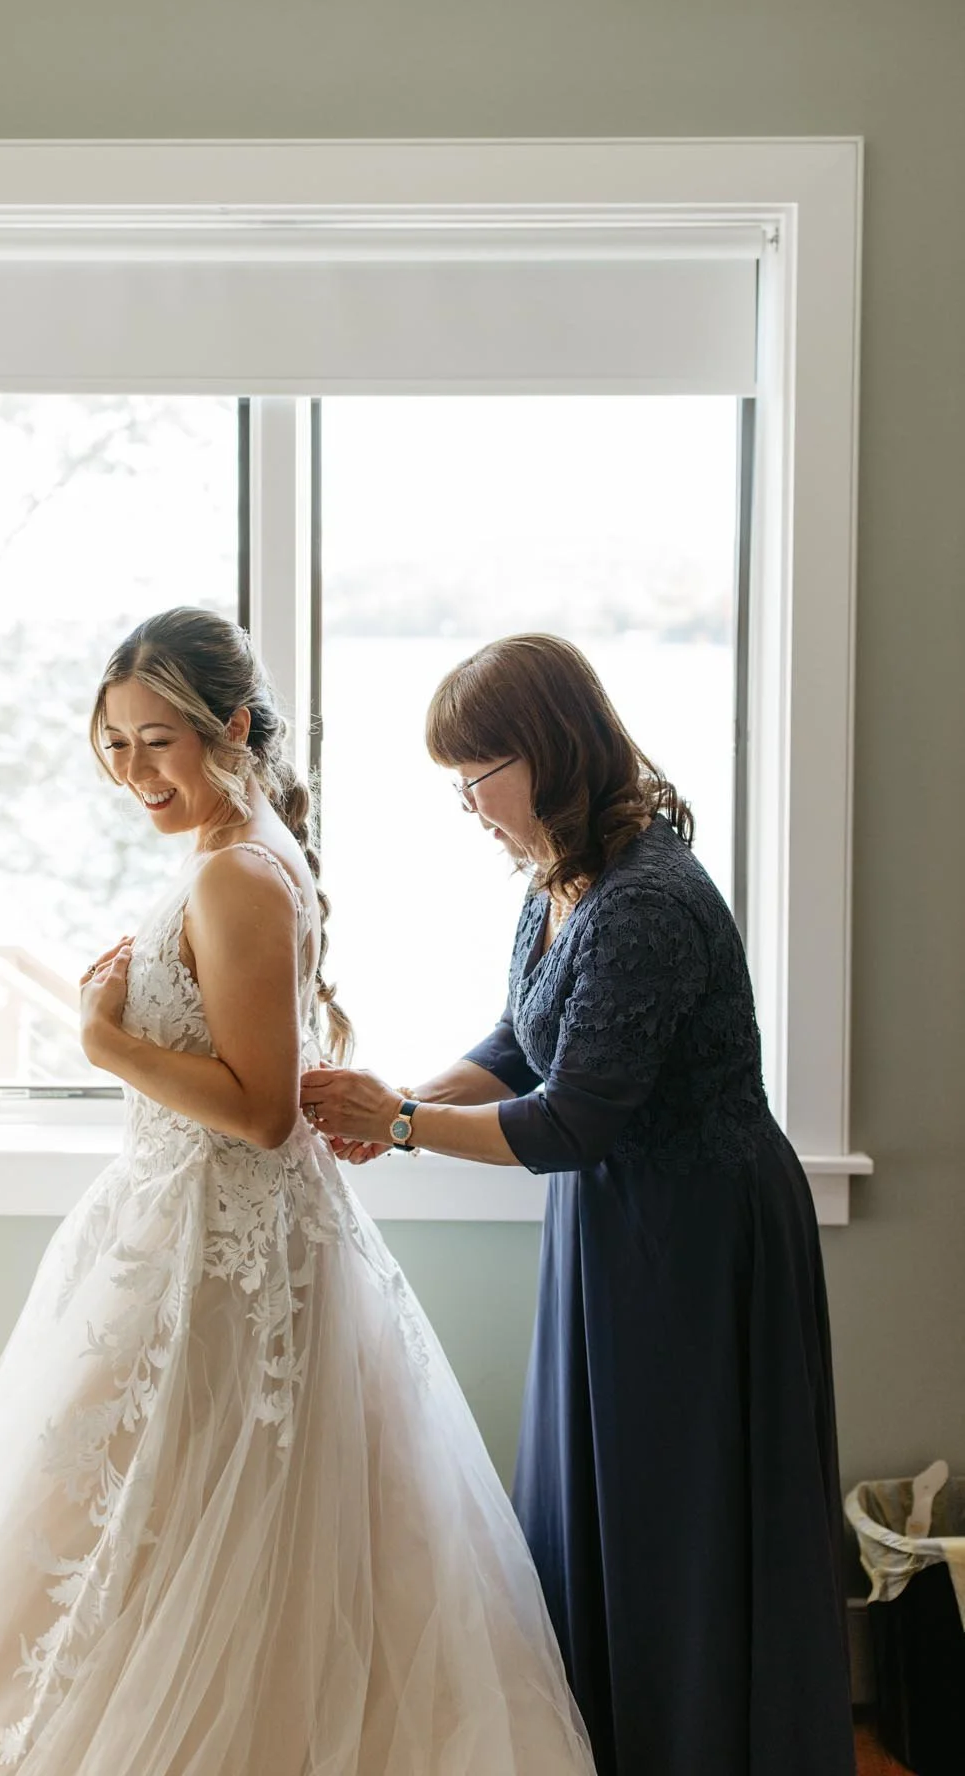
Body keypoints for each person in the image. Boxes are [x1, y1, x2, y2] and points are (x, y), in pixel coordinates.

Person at [0, 608, 594, 1776]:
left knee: (193, 1519)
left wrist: (103, 1042)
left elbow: (260, 1109)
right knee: (147, 1524)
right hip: (183, 1226)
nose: (133, 770)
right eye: (113, 743)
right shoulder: (226, 849)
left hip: (221, 1240)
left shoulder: (242, 870)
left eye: (158, 741)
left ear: (232, 727)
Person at [302, 633, 855, 1776]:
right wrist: (402, 1098)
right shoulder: (561, 874)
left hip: (697, 1237)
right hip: (619, 1226)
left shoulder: (645, 898)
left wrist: (398, 1123)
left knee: (677, 1511)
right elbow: (523, 1039)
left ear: (546, 751)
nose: (466, 803)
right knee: (606, 1503)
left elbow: (565, 1122)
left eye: (476, 773)